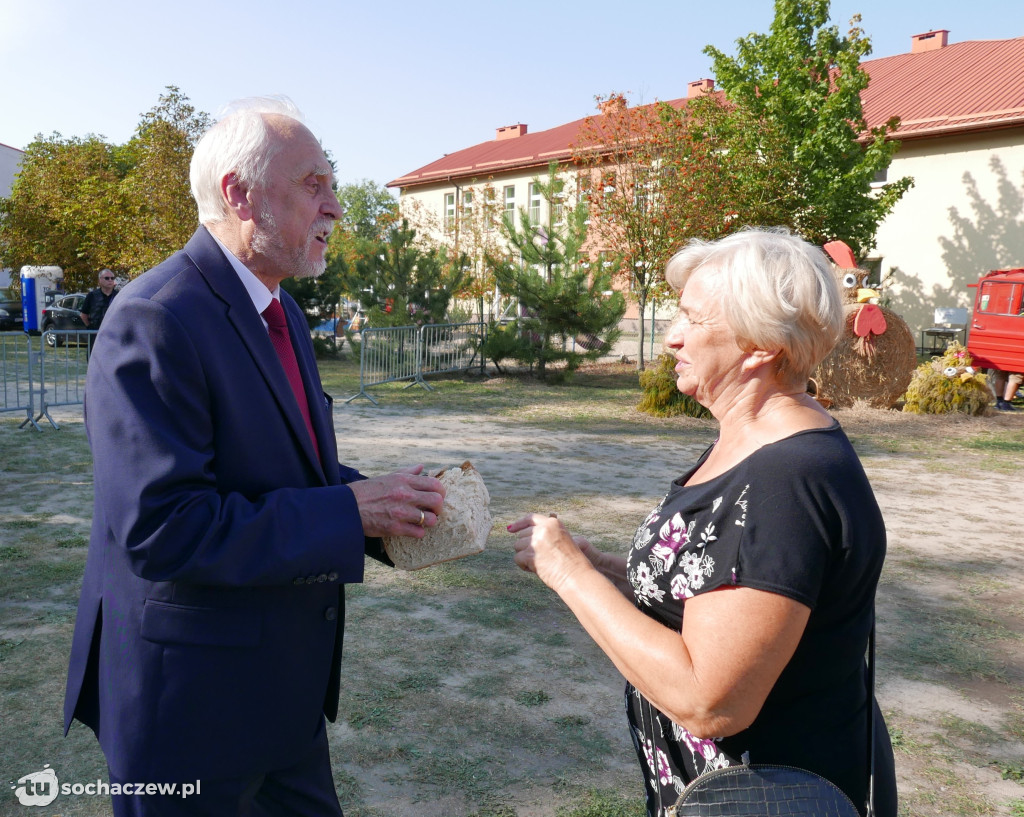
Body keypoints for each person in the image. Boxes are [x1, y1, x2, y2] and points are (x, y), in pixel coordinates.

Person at [63, 96, 446, 816]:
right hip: (189, 708)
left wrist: (387, 507)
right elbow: (165, 527)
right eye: (314, 185)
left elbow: (292, 475)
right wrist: (345, 510)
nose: (335, 207)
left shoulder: (282, 309)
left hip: (282, 699)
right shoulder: (156, 317)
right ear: (240, 194)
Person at [509, 228, 897, 817]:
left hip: (767, 797)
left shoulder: (784, 480)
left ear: (761, 345)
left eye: (692, 318)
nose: (671, 337)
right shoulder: (754, 442)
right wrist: (612, 573)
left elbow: (710, 701)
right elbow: (714, 584)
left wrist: (569, 575)